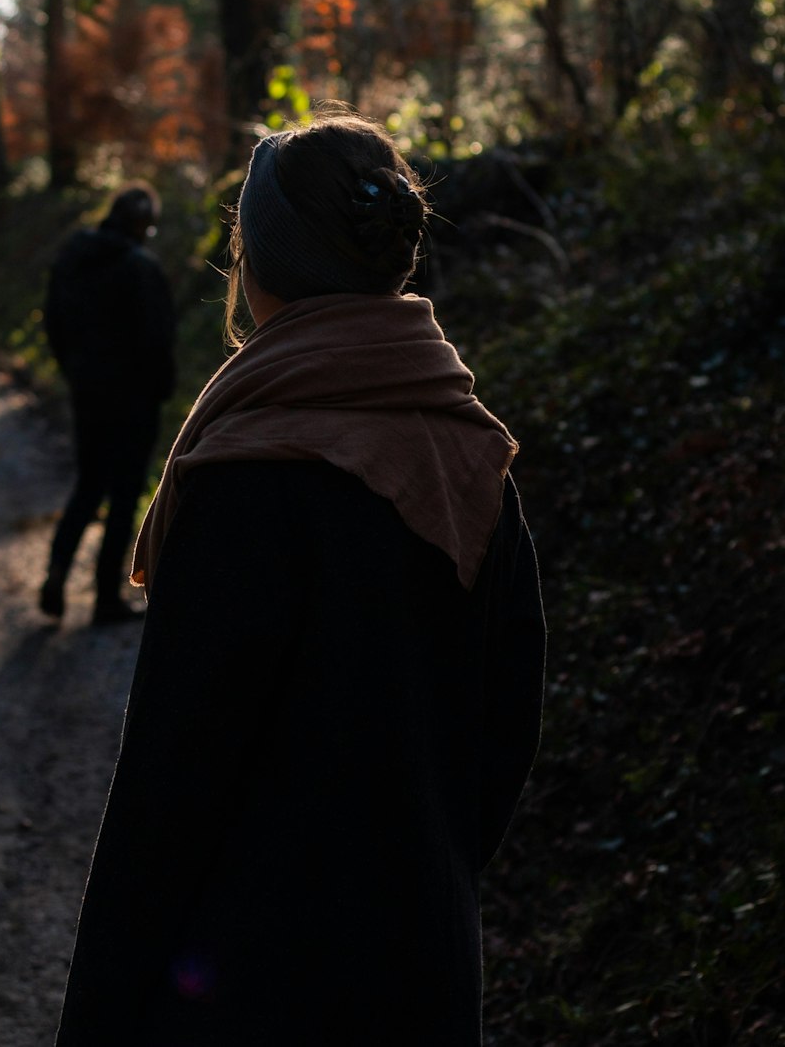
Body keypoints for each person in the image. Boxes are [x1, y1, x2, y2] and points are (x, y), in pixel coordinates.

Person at [55, 111, 546, 1044]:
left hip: (247, 985)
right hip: (423, 974)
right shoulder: (474, 459)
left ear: (264, 265)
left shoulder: (246, 472)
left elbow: (170, 789)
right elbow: (504, 734)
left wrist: (98, 1015)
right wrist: (423, 871)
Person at [40, 183, 175, 627]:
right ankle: (104, 598)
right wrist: (161, 389)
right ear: (142, 224)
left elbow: (53, 319)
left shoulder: (74, 257)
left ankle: (57, 570)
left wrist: (73, 370)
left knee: (88, 485)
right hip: (134, 402)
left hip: (88, 393)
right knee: (123, 497)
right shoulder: (142, 269)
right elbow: (158, 341)